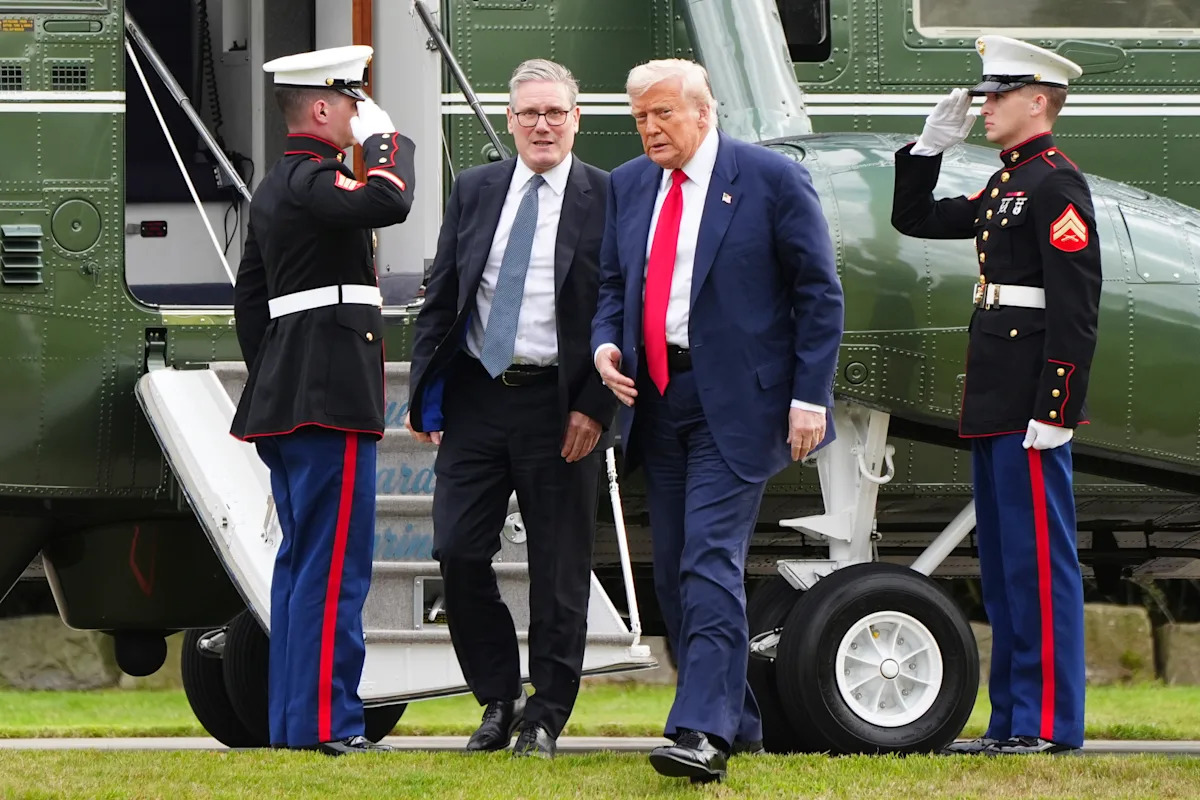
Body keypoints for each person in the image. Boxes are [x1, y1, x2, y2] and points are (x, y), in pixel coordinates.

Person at [591, 58, 844, 782]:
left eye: (662, 114)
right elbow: (614, 285)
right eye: (640, 117)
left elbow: (818, 293)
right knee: (675, 573)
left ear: (704, 113)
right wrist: (605, 345)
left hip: (737, 405)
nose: (649, 129)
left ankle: (701, 732)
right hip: (655, 401)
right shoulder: (629, 184)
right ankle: (742, 721)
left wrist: (809, 397)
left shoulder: (770, 179)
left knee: (708, 559)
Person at [891, 35, 1101, 756]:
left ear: (1038, 101)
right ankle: (1013, 720)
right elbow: (916, 219)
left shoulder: (1055, 184)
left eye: (998, 96)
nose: (984, 107)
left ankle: (1047, 725)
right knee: (1009, 568)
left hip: (1030, 403)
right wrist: (927, 150)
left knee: (1039, 566)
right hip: (995, 395)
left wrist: (1057, 407)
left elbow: (1075, 307)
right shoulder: (1010, 182)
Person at [405, 58, 615, 760]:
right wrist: (424, 393)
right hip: (477, 398)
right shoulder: (476, 189)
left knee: (559, 570)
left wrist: (594, 407)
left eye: (555, 112)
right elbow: (443, 294)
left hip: (563, 407)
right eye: (529, 113)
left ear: (576, 119)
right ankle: (498, 696)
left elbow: (622, 308)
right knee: (457, 550)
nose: (542, 125)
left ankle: (545, 716)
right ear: (510, 119)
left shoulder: (608, 195)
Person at [229, 44, 416, 756]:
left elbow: (251, 305)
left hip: (294, 398)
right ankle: (326, 725)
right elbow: (390, 199)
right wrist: (387, 141)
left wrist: (280, 375)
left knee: (304, 566)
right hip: (326, 401)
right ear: (319, 107)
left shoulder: (279, 187)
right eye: (350, 101)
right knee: (336, 568)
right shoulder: (313, 179)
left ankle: (294, 724)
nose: (358, 113)